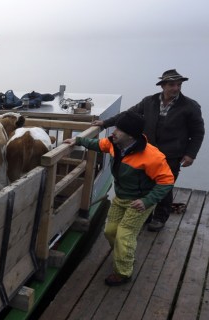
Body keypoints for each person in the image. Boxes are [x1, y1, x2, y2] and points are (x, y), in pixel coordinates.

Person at [64, 112, 174, 286]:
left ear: (131, 135)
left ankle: (123, 272)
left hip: (140, 202)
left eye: (119, 129)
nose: (114, 132)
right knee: (110, 231)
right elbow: (97, 144)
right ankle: (124, 255)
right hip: (121, 197)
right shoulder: (114, 144)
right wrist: (78, 141)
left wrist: (147, 201)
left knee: (124, 235)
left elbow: (167, 181)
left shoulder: (152, 156)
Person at [92, 69, 204, 232]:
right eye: (172, 85)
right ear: (163, 86)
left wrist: (191, 154)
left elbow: (198, 131)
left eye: (179, 85)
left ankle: (160, 217)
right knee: (145, 185)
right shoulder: (149, 102)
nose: (176, 88)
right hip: (147, 152)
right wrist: (104, 123)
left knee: (165, 185)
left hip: (172, 155)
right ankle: (145, 215)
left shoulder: (190, 106)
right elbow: (128, 115)